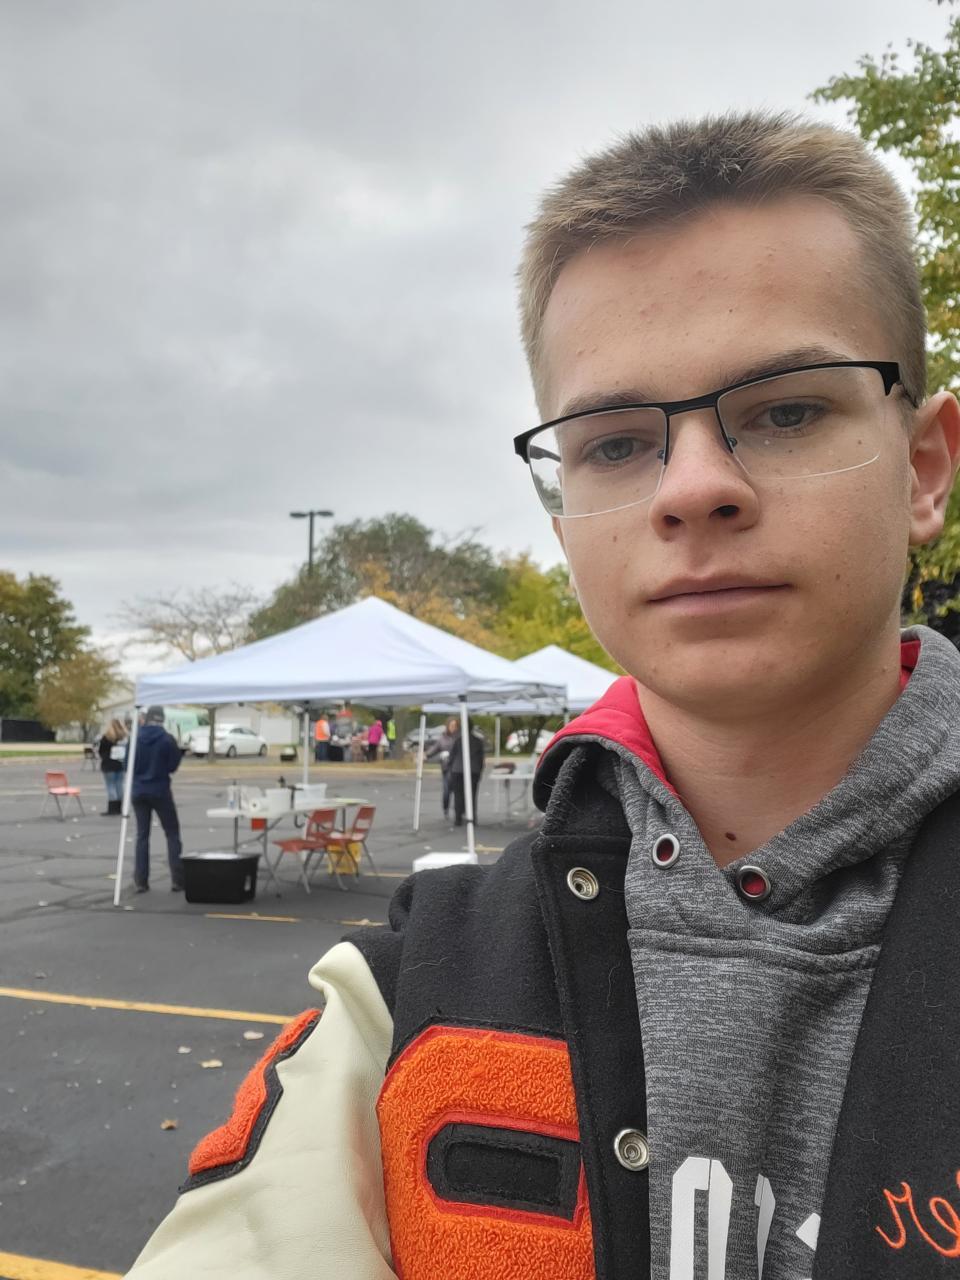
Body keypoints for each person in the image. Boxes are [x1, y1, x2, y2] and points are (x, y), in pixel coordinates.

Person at [127, 113, 960, 1279]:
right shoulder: (400, 1003)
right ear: (565, 517)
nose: (694, 486)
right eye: (615, 442)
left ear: (924, 465)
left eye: (785, 409)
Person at [131, 706, 184, 894]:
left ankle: (141, 880)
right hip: (160, 789)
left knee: (142, 835)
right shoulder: (167, 739)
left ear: (147, 718)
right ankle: (177, 879)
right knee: (172, 833)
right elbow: (172, 766)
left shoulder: (135, 738)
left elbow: (127, 764)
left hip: (138, 790)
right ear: (162, 719)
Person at [448, 720, 485, 828]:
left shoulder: (458, 740)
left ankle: (458, 818)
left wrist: (450, 767)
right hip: (473, 770)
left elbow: (452, 756)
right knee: (472, 795)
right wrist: (480, 770)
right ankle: (472, 818)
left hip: (458, 770)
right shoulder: (477, 741)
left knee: (458, 795)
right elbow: (481, 758)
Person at [425, 716, 459, 819]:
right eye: (451, 725)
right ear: (447, 726)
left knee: (459, 791)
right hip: (447, 768)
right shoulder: (442, 739)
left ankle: (459, 811)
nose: (453, 728)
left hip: (458, 768)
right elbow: (434, 750)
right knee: (446, 791)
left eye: (455, 726)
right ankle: (445, 809)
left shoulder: (460, 738)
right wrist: (426, 755)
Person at [97, 718, 127, 815]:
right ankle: (119, 807)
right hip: (120, 764)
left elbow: (101, 751)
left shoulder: (107, 737)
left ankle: (112, 808)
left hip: (108, 765)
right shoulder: (123, 737)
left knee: (110, 786)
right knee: (119, 786)